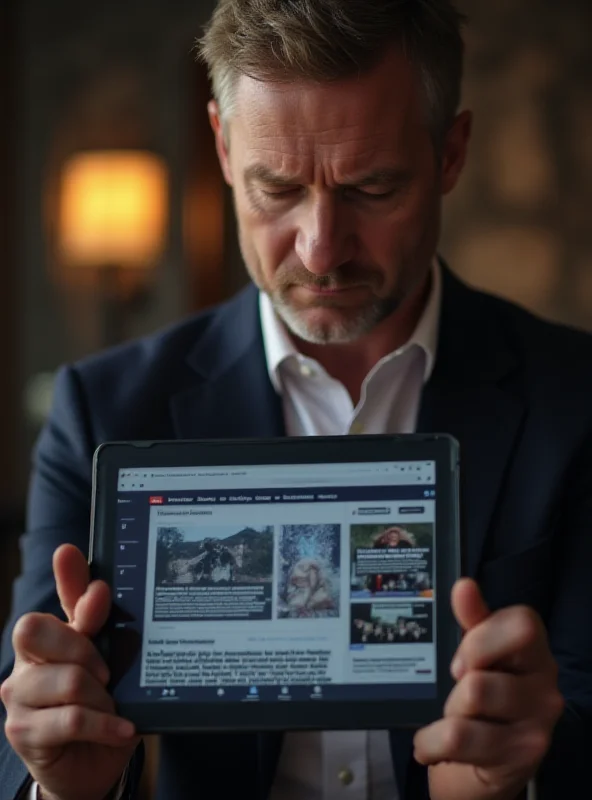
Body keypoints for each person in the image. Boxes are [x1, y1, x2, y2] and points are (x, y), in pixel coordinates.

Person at [1, 0, 590, 797]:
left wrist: (511, 782)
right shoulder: (101, 409)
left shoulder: (576, 401)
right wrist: (61, 782)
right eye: (277, 189)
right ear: (220, 144)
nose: (320, 249)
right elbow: (20, 739)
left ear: (451, 153)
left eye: (373, 189)